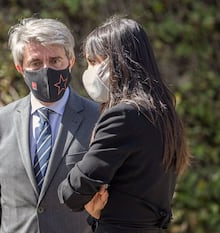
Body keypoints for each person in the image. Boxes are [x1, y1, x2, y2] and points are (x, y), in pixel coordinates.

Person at [58, 16, 192, 233]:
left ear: (117, 62)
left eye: (94, 62)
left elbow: (72, 192)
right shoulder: (165, 116)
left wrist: (87, 201)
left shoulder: (123, 116)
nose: (89, 71)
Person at [0, 17, 100, 233]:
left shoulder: (98, 118)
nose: (46, 69)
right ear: (20, 68)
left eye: (55, 60)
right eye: (36, 63)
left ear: (70, 62)